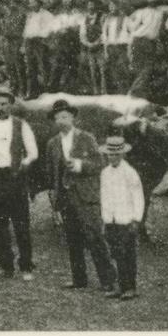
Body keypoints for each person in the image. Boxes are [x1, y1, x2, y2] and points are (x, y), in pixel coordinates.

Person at [46, 99, 116, 293]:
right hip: (65, 197)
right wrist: (54, 197)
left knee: (95, 237)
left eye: (65, 116)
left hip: (86, 196)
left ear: (73, 118)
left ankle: (108, 280)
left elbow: (100, 164)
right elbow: (51, 173)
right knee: (73, 239)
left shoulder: (87, 138)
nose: (61, 120)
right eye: (57, 117)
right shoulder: (52, 143)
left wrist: (80, 165)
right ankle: (79, 279)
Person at [0, 89, 38, 280]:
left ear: (10, 105)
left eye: (4, 104)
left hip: (15, 177)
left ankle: (26, 267)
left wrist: (23, 165)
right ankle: (6, 267)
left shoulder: (21, 125)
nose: (0, 108)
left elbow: (33, 152)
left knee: (21, 225)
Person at [99, 133, 145, 300]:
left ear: (123, 154)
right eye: (110, 154)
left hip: (126, 219)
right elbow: (104, 196)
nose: (113, 157)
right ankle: (120, 286)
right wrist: (105, 218)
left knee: (128, 253)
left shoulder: (130, 172)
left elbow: (138, 196)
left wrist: (136, 219)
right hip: (111, 219)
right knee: (116, 253)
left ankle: (130, 287)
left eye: (116, 154)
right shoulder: (105, 173)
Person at [127, 0, 168, 101]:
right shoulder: (141, 12)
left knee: (148, 68)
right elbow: (132, 25)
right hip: (140, 40)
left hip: (151, 42)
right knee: (142, 68)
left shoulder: (160, 12)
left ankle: (137, 92)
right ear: (146, 0)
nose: (153, 0)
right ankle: (134, 92)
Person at [49, 0, 83, 92]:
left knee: (72, 64)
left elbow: (80, 27)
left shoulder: (77, 15)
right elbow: (54, 28)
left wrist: (71, 28)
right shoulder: (59, 16)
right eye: (65, 2)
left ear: (72, 4)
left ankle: (71, 88)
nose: (67, 5)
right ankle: (54, 87)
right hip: (61, 43)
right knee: (58, 63)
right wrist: (60, 30)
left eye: (69, 2)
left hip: (73, 42)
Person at [22, 0, 53, 99]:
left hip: (40, 42)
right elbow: (26, 29)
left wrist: (41, 36)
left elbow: (51, 27)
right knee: (31, 68)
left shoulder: (46, 14)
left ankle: (48, 91)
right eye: (30, 3)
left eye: (33, 2)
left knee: (43, 66)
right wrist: (25, 41)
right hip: (29, 42)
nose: (31, 5)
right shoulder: (30, 15)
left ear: (39, 3)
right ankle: (33, 92)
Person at [0, 0, 27, 98]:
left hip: (17, 42)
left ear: (18, 3)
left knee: (19, 66)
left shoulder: (21, 15)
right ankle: (13, 87)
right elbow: (4, 30)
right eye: (10, 3)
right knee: (10, 66)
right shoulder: (7, 16)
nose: (11, 5)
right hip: (8, 43)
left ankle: (22, 89)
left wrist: (22, 45)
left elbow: (24, 31)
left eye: (14, 3)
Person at [102, 0, 132, 94]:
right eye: (110, 6)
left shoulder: (126, 19)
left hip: (122, 46)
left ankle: (125, 92)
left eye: (114, 6)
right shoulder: (108, 20)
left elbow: (132, 33)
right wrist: (106, 50)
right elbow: (105, 35)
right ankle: (115, 93)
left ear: (119, 7)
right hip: (111, 47)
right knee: (112, 71)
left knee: (123, 69)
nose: (112, 8)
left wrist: (129, 48)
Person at [79, 0, 106, 95]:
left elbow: (104, 32)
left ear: (96, 6)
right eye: (89, 5)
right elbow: (82, 33)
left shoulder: (102, 17)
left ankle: (104, 91)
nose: (91, 7)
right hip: (89, 47)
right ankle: (95, 90)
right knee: (92, 70)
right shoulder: (84, 18)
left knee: (102, 69)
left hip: (100, 46)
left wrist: (98, 42)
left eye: (93, 5)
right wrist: (87, 43)